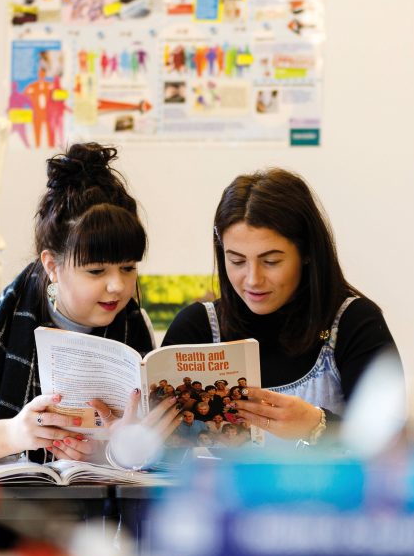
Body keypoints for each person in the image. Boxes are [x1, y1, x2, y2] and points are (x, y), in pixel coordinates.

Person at [0, 143, 179, 466]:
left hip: (93, 516)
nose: (118, 286)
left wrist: (116, 451)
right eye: (96, 270)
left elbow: (141, 471)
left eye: (128, 268)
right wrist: (13, 434)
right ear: (52, 266)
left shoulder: (137, 331)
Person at [162, 168, 401, 446]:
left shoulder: (355, 323)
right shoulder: (197, 326)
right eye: (237, 261)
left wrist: (317, 425)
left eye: (271, 261)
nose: (252, 279)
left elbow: (393, 447)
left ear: (307, 253)